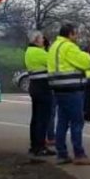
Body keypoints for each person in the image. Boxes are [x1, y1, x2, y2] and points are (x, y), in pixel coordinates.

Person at [47, 23, 90, 165]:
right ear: (70, 34)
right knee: (77, 122)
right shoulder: (69, 47)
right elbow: (86, 63)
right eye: (76, 33)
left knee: (62, 122)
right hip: (72, 89)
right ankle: (79, 154)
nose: (77, 36)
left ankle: (62, 153)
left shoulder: (54, 47)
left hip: (58, 89)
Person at [25, 31, 57, 160]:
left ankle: (35, 146)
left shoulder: (29, 51)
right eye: (42, 39)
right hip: (42, 87)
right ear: (36, 40)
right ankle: (40, 147)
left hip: (35, 86)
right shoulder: (38, 52)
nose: (44, 40)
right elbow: (53, 61)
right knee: (43, 119)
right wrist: (50, 49)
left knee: (36, 118)